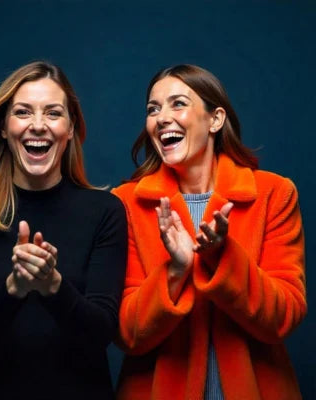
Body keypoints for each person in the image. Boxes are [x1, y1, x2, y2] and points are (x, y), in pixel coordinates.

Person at [0, 61, 127, 400]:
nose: (38, 125)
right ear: (4, 127)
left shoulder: (105, 211)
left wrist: (53, 286)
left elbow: (100, 333)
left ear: (71, 128)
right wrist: (14, 289)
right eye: (23, 112)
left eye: (53, 113)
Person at [112, 64, 306, 400]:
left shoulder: (274, 194)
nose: (162, 118)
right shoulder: (126, 204)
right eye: (153, 109)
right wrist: (176, 271)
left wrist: (222, 258)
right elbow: (127, 333)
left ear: (215, 120)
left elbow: (284, 317)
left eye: (178, 104)